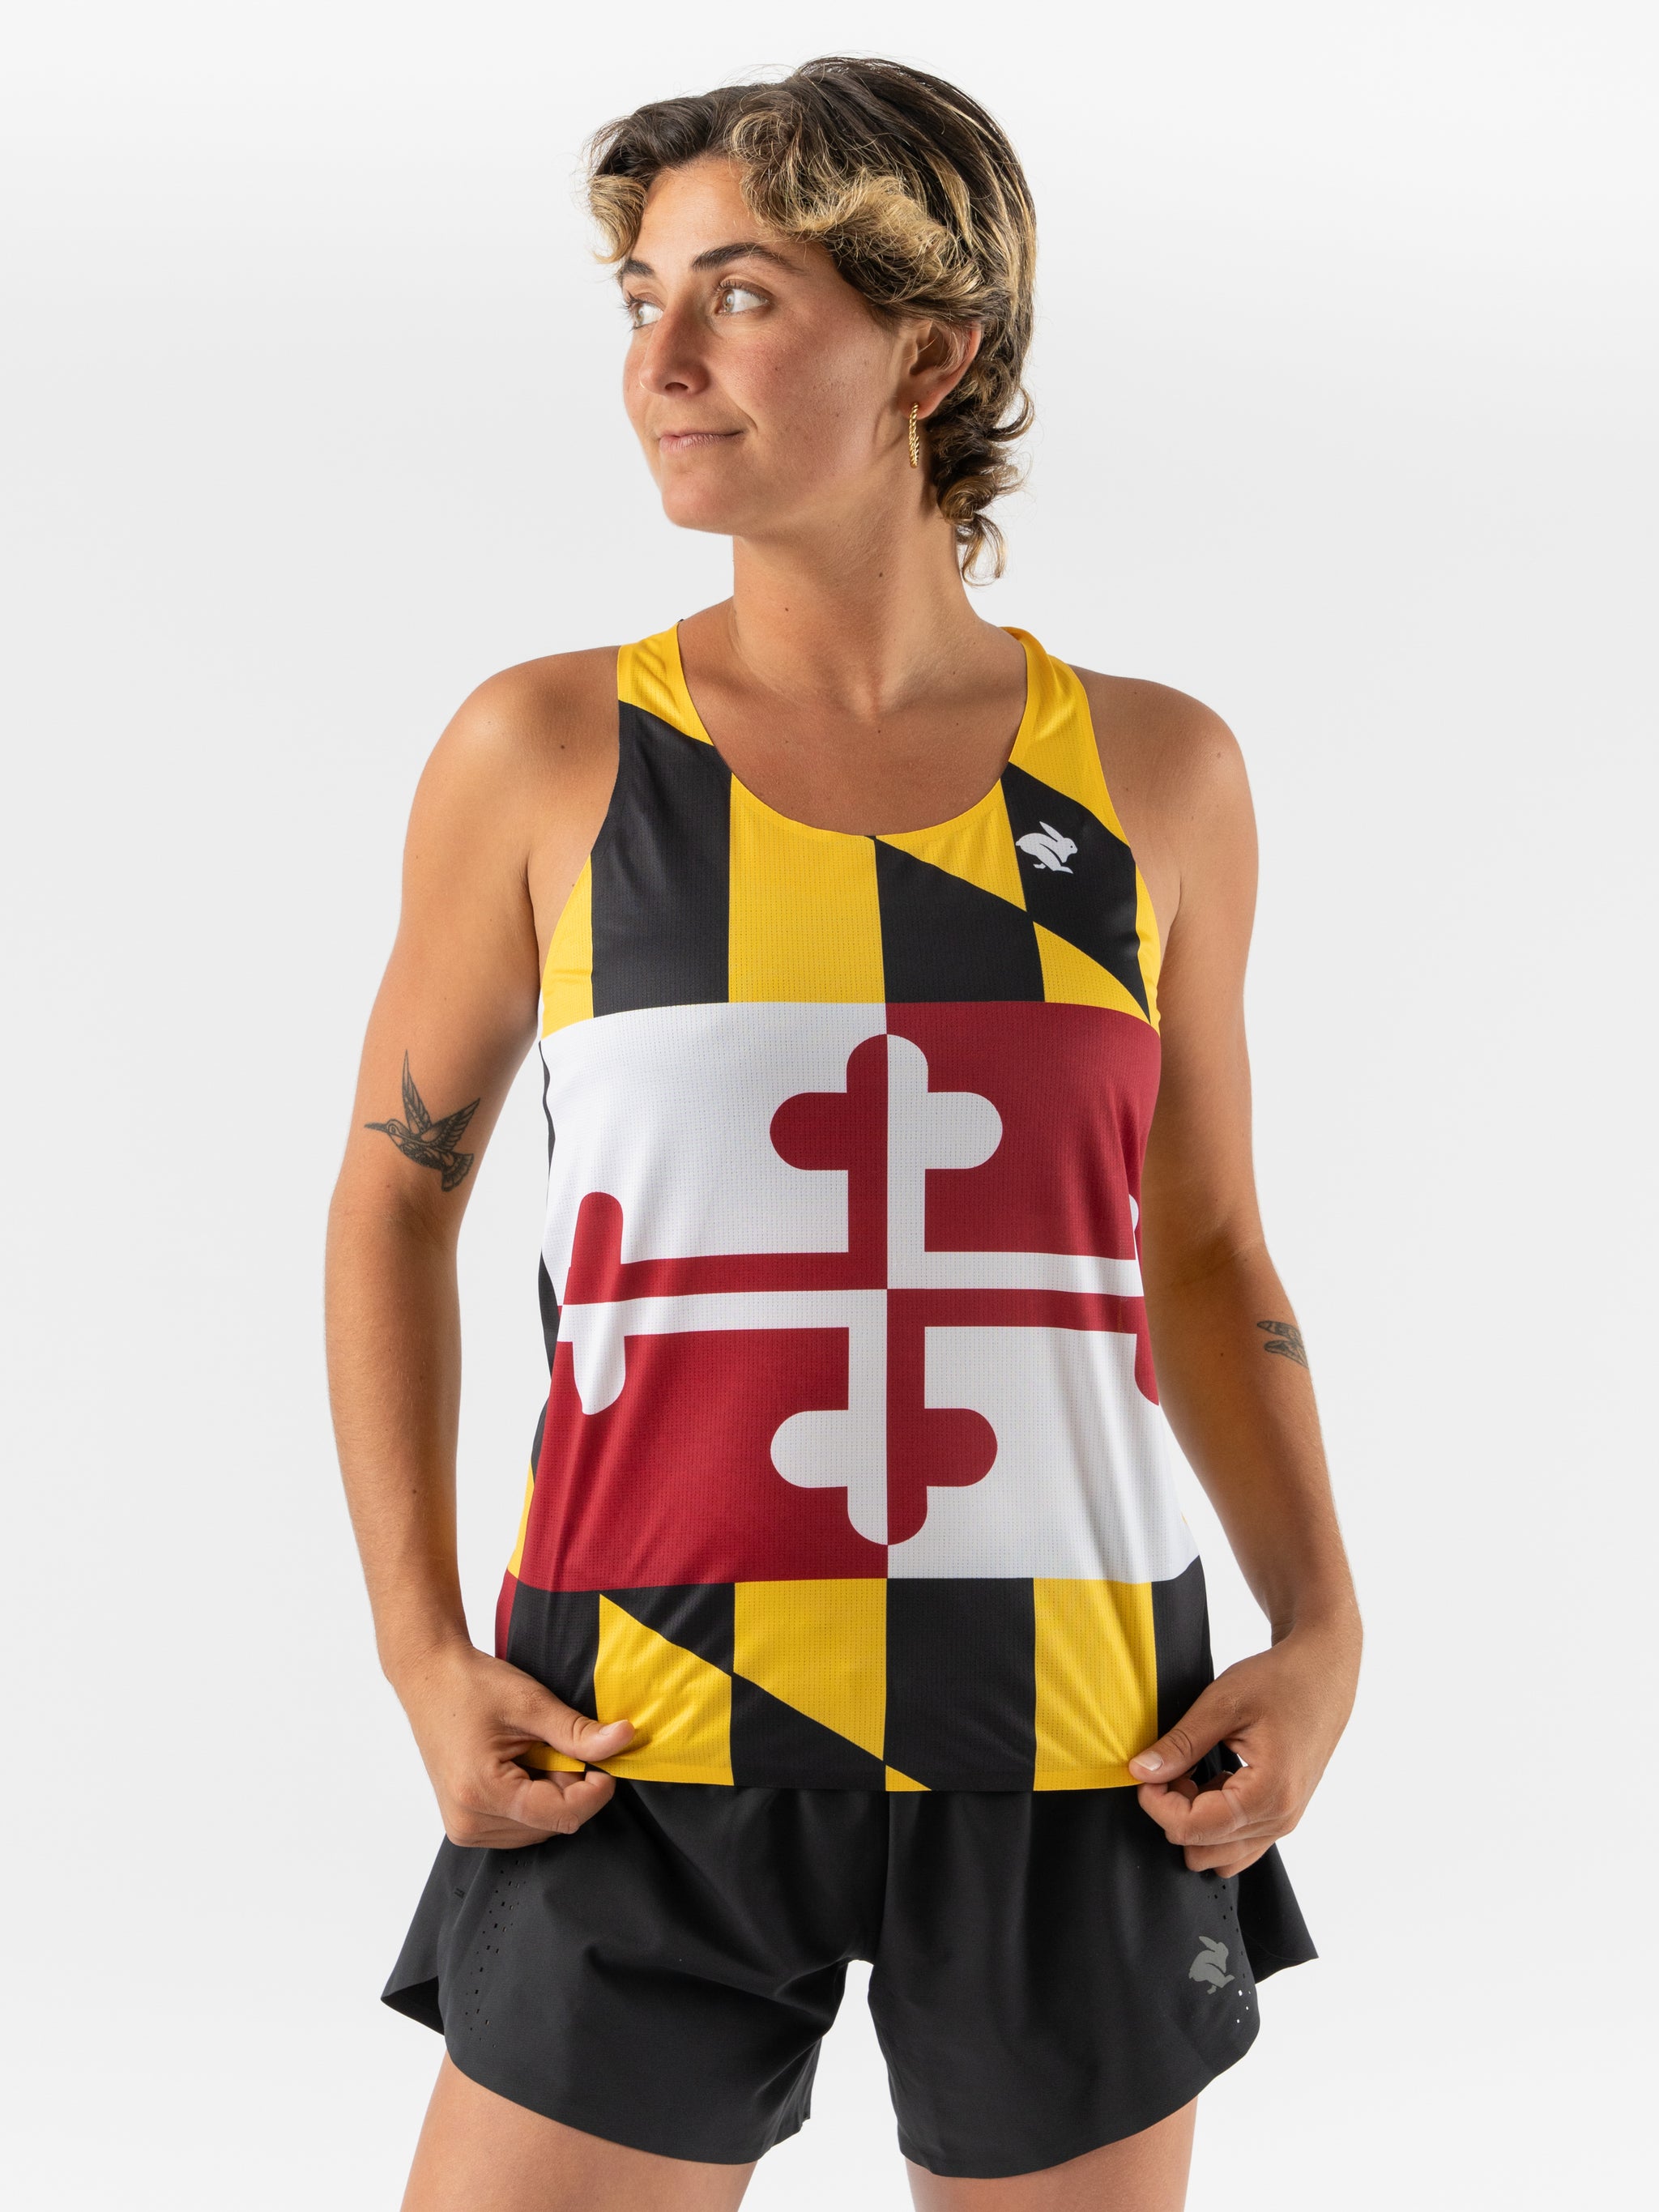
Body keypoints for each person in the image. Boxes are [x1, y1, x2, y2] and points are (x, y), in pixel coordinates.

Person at [325, 55, 1361, 2212]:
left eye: (740, 296)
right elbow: (394, 1199)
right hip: (638, 1722)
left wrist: (1321, 1624)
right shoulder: (550, 751)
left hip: (1080, 1729)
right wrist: (422, 1649)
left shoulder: (1153, 774)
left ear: (933, 351)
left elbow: (1202, 1247)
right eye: (641, 300)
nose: (660, 365)